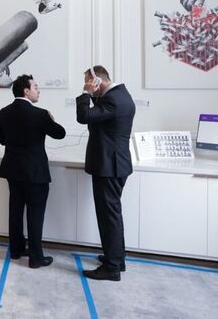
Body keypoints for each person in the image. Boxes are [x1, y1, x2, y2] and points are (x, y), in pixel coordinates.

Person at [0, 74, 65, 268]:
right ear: (26, 91)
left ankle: (16, 250)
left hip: (12, 169)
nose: (39, 90)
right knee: (36, 213)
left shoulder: (3, 112)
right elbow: (60, 134)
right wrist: (51, 119)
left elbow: (2, 140)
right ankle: (36, 257)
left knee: (15, 210)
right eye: (36, 86)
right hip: (35, 172)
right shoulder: (40, 114)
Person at [76, 65, 136, 281]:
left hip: (109, 166)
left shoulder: (114, 99)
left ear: (97, 82)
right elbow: (97, 116)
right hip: (116, 164)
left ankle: (111, 268)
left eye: (90, 83)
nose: (88, 87)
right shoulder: (120, 95)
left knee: (108, 216)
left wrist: (85, 93)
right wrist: (94, 94)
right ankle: (117, 258)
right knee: (113, 214)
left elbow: (84, 117)